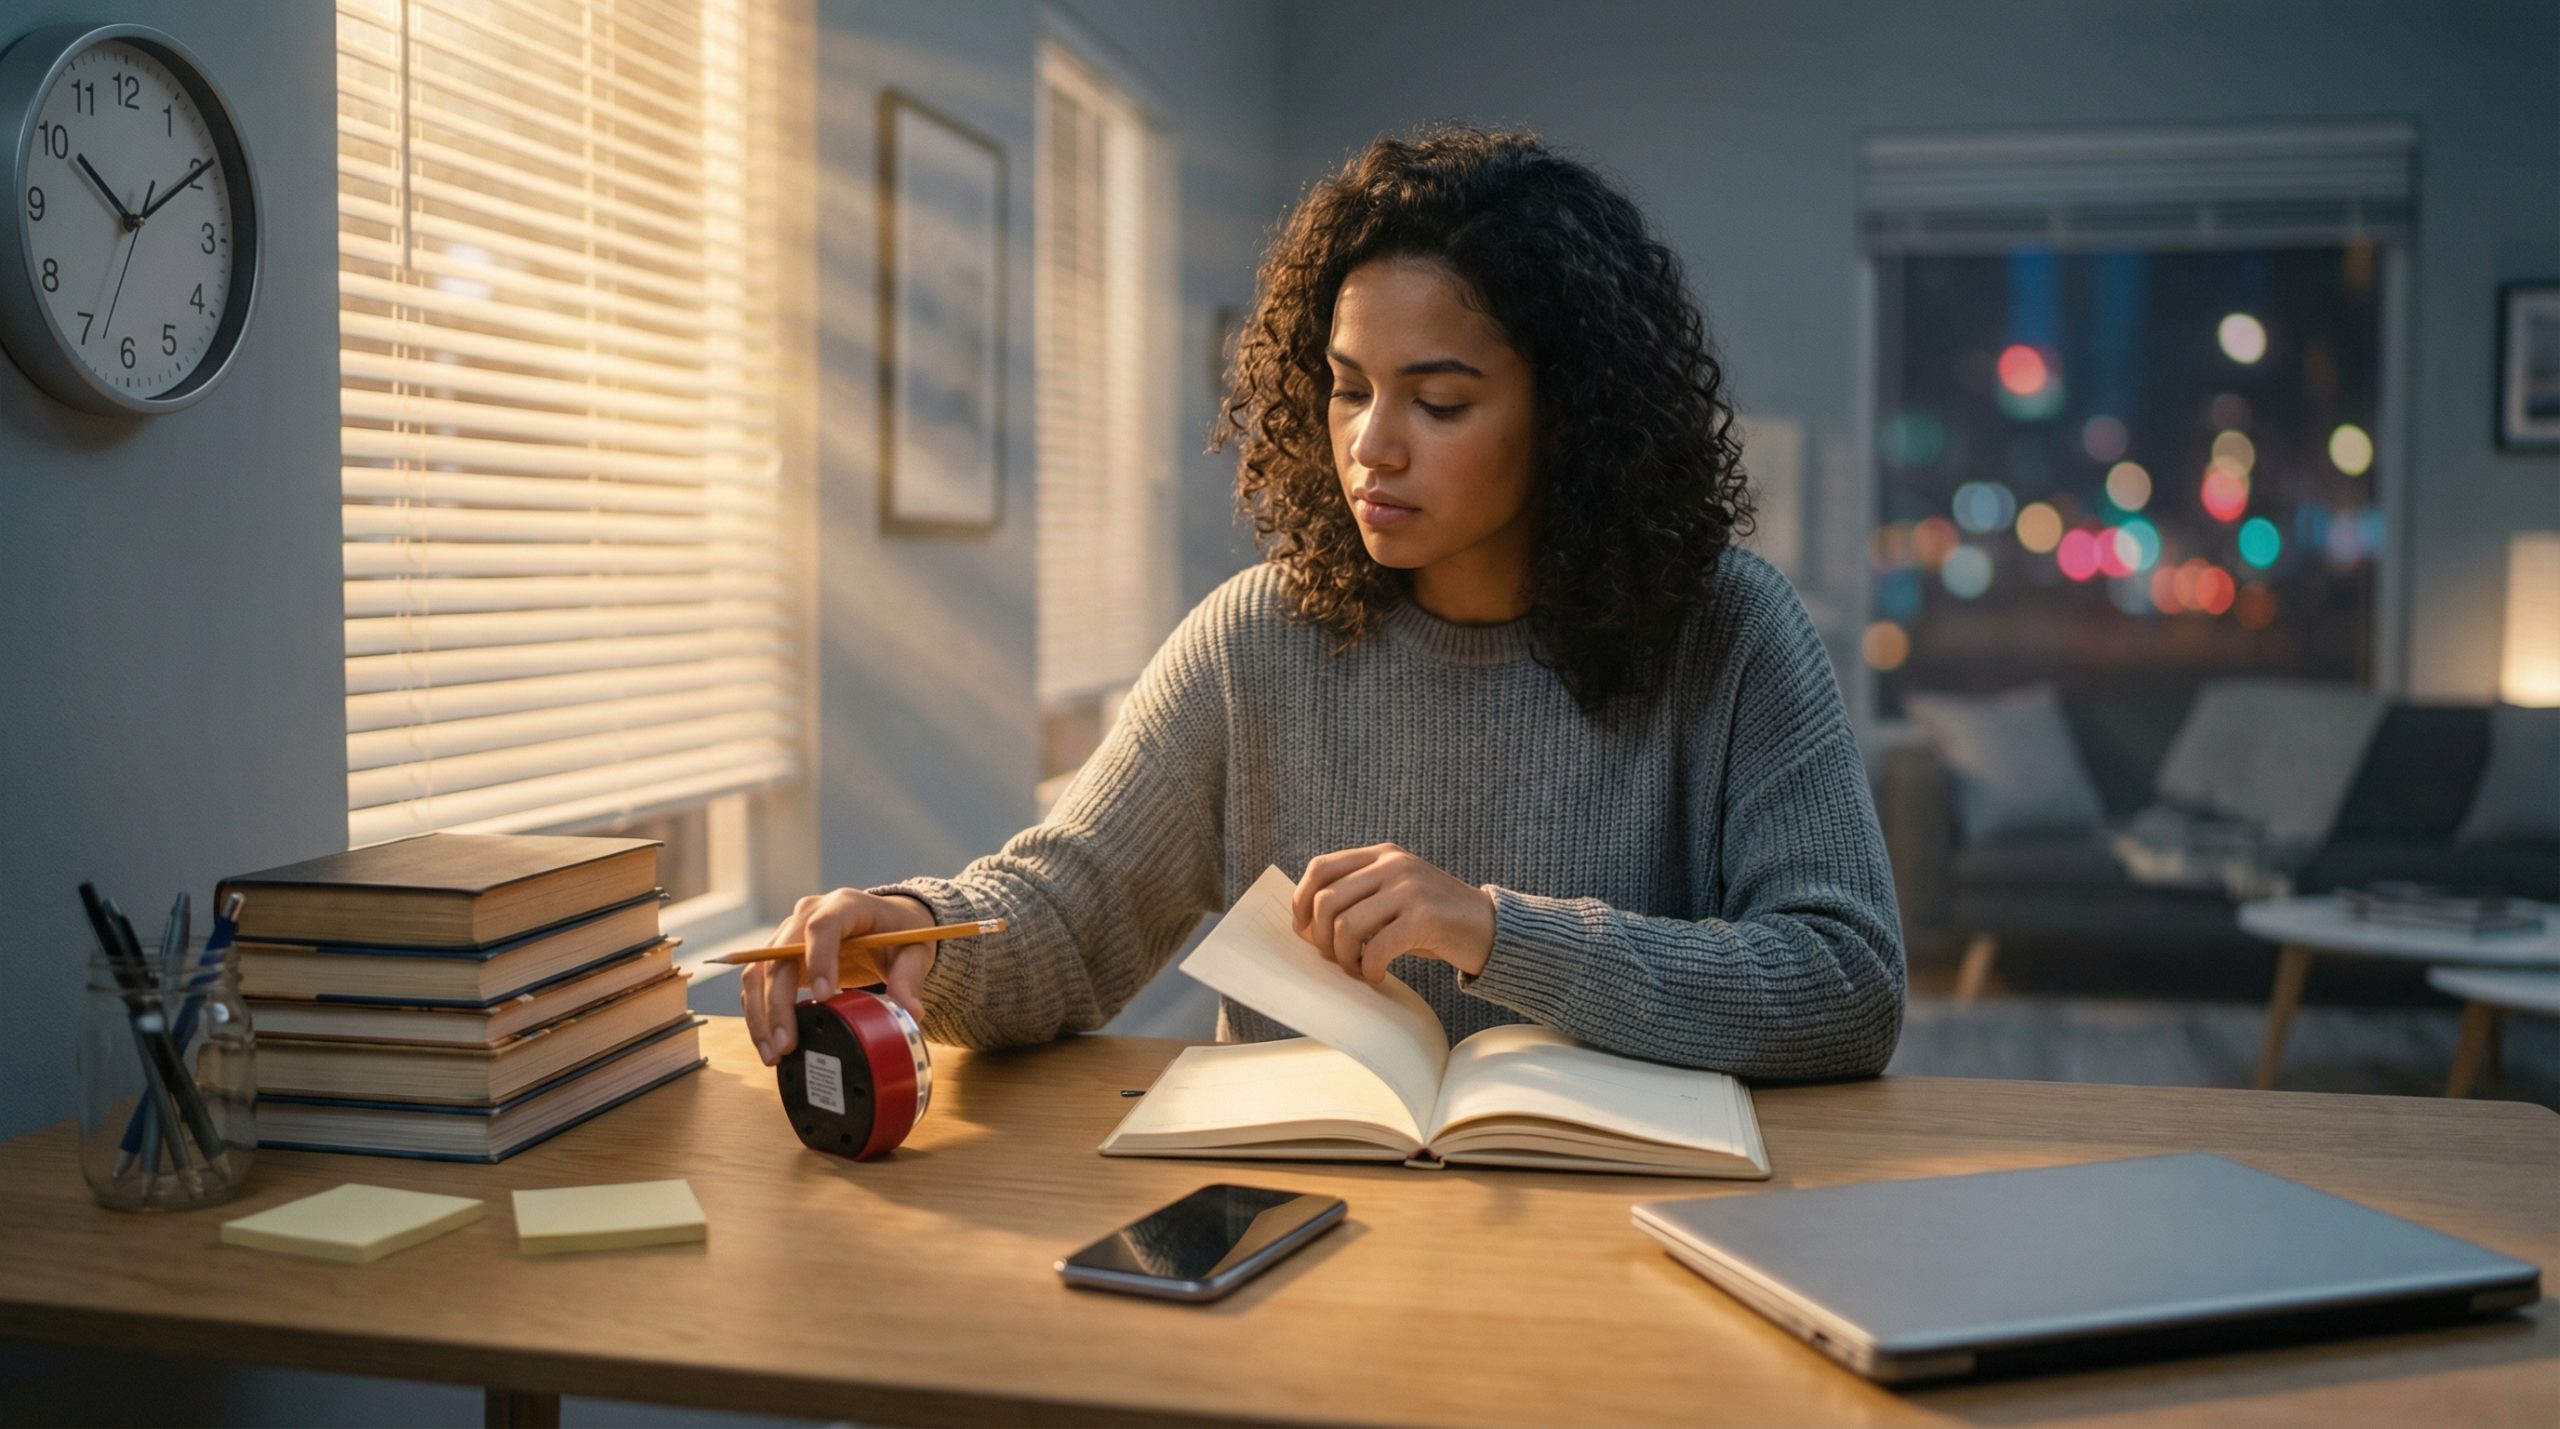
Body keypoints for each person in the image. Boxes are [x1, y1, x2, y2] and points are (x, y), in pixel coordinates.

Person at [745, 124, 1904, 1079]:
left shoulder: (1731, 632)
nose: (1372, 447)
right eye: (1347, 390)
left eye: (1439, 404)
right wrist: (916, 931)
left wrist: (1500, 934)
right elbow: (1072, 908)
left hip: (1630, 1243)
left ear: (1574, 416)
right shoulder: (1256, 641)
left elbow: (1846, 984)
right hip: (1304, 1235)